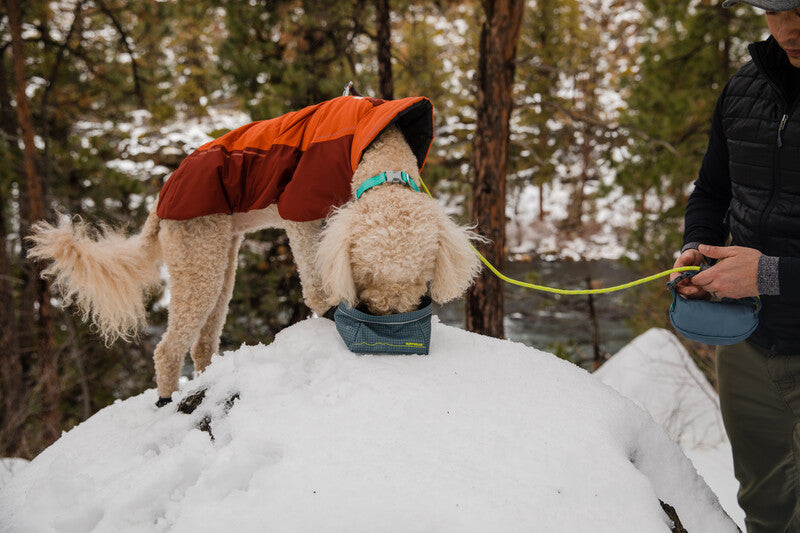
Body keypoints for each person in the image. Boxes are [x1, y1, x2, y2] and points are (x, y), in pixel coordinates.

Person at [670, 1, 800, 531]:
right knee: (764, 510)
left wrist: (769, 273)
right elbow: (713, 192)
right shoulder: (744, 87)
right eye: (775, 9)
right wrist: (699, 245)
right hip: (747, 346)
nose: (789, 28)